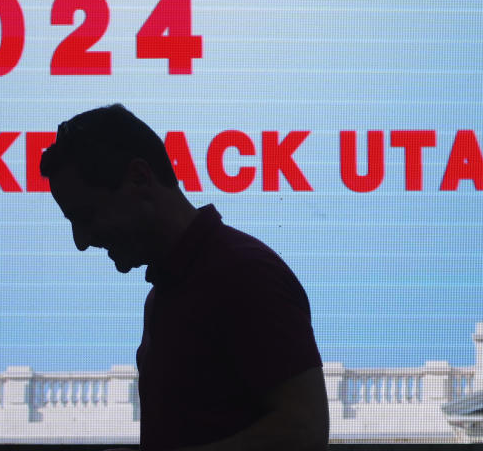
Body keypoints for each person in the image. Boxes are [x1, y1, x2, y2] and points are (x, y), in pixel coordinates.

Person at [40, 104, 329, 451]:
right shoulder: (171, 292)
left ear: (140, 178)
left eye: (87, 216)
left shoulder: (247, 275)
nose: (81, 242)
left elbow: (304, 432)